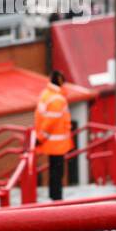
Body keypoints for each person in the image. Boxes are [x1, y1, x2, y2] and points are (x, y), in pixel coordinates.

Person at [34, 70, 72, 201]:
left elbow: (43, 119)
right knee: (57, 173)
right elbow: (51, 121)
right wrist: (40, 138)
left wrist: (40, 138)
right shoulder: (57, 99)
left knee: (54, 171)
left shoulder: (46, 95)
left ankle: (54, 196)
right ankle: (56, 199)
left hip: (51, 142)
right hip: (56, 142)